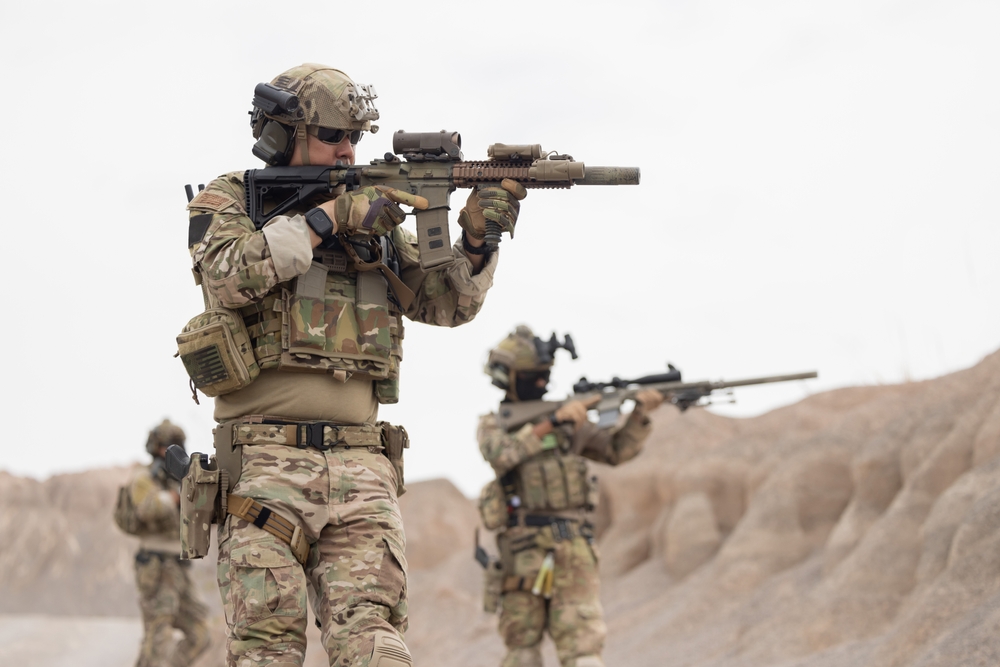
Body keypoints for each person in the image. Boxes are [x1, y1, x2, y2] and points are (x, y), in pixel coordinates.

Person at [184, 63, 526, 667]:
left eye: (354, 138)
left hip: (362, 470)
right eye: (332, 136)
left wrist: (476, 240)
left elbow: (445, 304)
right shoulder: (232, 198)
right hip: (262, 470)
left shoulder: (374, 215)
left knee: (377, 649)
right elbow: (229, 275)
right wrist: (327, 220)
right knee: (267, 651)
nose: (347, 151)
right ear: (282, 137)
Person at [477, 326, 664, 667]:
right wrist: (551, 422)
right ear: (511, 378)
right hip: (522, 551)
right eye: (534, 376)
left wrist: (640, 417)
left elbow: (615, 451)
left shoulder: (570, 421)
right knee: (522, 649)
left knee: (583, 649)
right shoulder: (494, 424)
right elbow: (500, 454)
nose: (542, 383)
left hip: (573, 547)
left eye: (544, 376)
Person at [125, 419, 211, 667]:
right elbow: (146, 508)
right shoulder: (144, 478)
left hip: (180, 567)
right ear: (156, 448)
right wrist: (177, 495)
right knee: (158, 638)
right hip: (154, 566)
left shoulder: (180, 480)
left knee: (201, 634)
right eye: (167, 447)